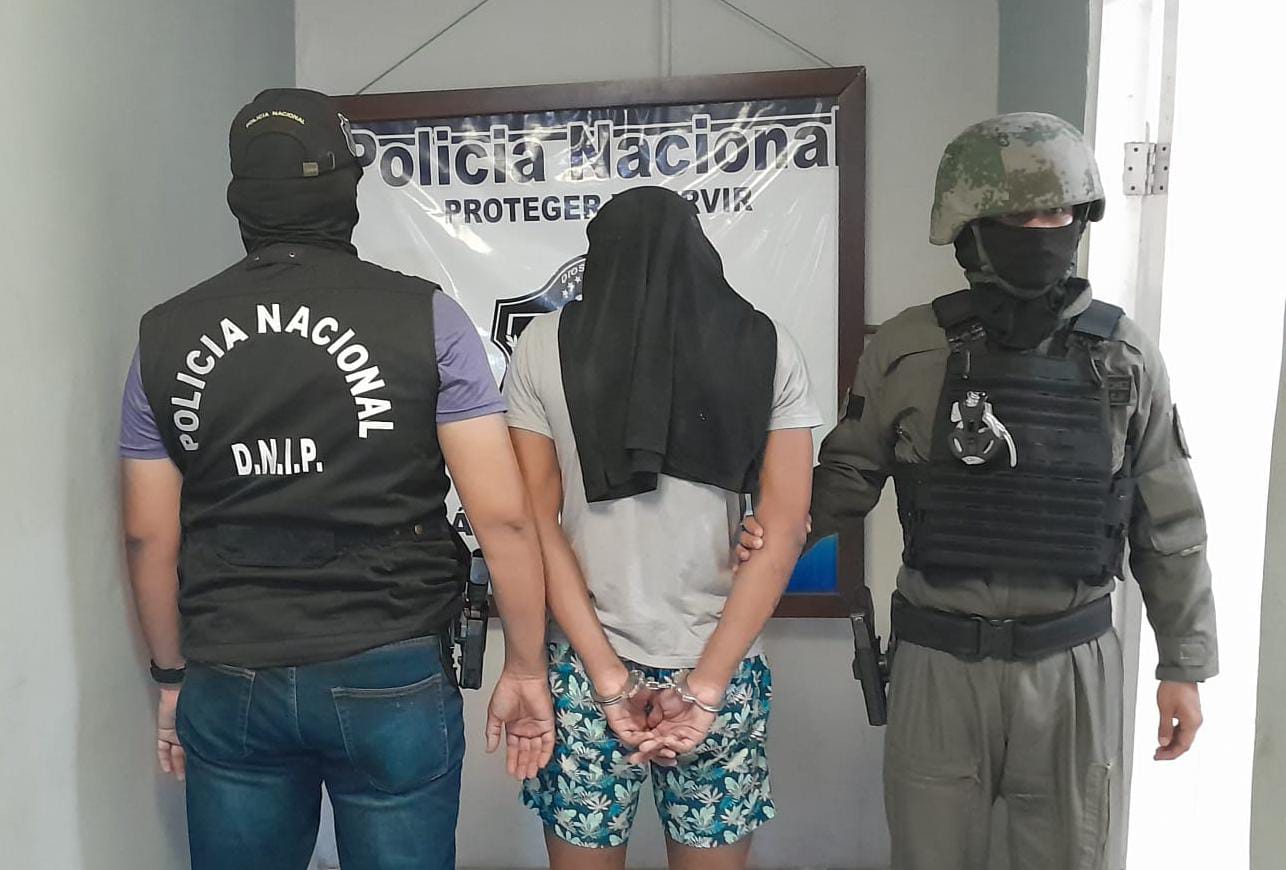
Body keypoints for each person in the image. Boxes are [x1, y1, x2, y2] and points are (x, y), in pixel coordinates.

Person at [737, 113, 1217, 870]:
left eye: (1058, 213)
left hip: (1070, 666)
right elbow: (845, 480)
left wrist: (1183, 666)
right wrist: (761, 532)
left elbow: (1170, 521)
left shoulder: (1124, 355)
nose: (1043, 231)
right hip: (941, 660)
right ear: (969, 232)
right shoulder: (908, 349)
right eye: (1019, 216)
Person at [119, 88, 554, 870]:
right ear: (346, 190)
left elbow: (149, 535)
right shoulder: (427, 318)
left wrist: (172, 675)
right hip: (391, 660)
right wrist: (526, 664)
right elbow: (506, 520)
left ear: (240, 200)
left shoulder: (163, 336)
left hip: (231, 666)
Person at [502, 186, 819, 869]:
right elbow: (787, 526)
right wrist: (706, 686)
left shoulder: (543, 345)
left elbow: (534, 523)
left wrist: (608, 678)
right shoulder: (768, 345)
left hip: (582, 668)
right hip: (721, 663)